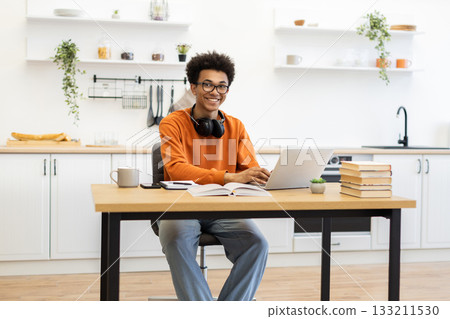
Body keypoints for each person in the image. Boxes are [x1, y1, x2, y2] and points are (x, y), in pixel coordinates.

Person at [157, 51, 271, 301]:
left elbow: (248, 167)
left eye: (222, 86)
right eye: (207, 84)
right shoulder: (171, 123)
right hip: (180, 208)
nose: (215, 92)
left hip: (224, 207)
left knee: (257, 244)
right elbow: (175, 168)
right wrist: (229, 177)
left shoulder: (236, 126)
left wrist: (260, 175)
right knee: (176, 240)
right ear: (194, 88)